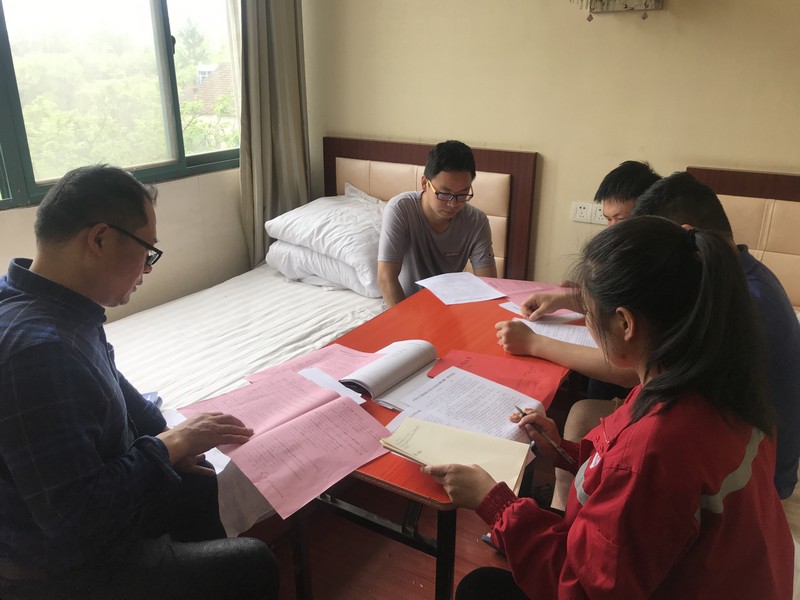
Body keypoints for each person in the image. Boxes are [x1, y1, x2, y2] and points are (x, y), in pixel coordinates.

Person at [424, 216, 794, 599]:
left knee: (479, 589)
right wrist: (565, 452)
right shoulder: (716, 382)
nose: (589, 326)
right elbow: (630, 482)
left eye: (589, 315)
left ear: (625, 324)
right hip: (736, 579)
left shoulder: (657, 443)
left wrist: (494, 504)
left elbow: (584, 588)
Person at [0, 166, 279, 599]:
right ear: (99, 239)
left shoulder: (49, 302)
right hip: (61, 568)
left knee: (198, 481)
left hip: (79, 523)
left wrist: (173, 436)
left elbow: (117, 386)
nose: (148, 268)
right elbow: (76, 517)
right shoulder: (38, 352)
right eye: (148, 250)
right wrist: (170, 445)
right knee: (252, 562)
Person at [516, 160, 660, 323]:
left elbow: (630, 324)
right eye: (608, 219)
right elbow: (615, 306)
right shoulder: (621, 249)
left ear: (650, 214)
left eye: (621, 219)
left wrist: (534, 338)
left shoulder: (660, 262)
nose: (612, 229)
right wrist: (581, 295)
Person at [377, 140, 497, 307]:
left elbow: (488, 285)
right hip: (403, 308)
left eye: (462, 194)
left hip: (450, 309)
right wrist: (404, 321)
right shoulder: (401, 209)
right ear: (425, 183)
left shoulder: (476, 221)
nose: (453, 203)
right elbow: (385, 278)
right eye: (444, 194)